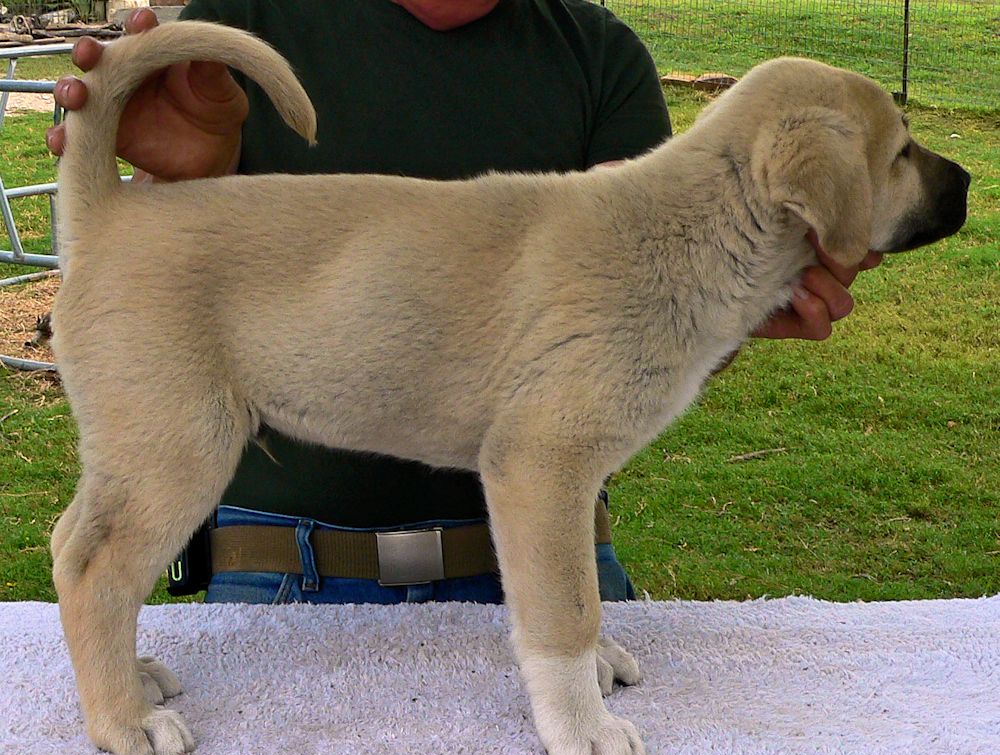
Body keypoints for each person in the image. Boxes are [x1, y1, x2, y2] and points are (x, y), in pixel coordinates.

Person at [47, 0, 881, 607]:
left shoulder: (598, 56)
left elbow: (643, 328)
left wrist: (738, 301)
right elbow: (166, 263)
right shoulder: (248, 21)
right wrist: (186, 178)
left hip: (547, 556)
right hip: (279, 566)